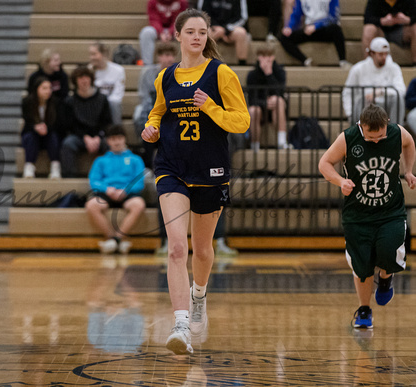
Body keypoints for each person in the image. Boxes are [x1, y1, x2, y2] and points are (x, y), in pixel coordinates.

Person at [141, 9, 250, 354]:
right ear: (177, 36)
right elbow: (158, 110)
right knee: (176, 247)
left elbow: (242, 121)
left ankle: (198, 293)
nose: (197, 37)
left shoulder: (222, 74)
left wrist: (211, 109)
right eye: (191, 31)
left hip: (210, 171)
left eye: (202, 32)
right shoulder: (166, 77)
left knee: (202, 251)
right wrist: (152, 127)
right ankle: (181, 324)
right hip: (172, 168)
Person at [318, 104, 415, 329]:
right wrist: (340, 181)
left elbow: (409, 143)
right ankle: (364, 310)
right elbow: (324, 163)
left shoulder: (397, 132)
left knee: (389, 251)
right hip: (358, 214)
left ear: (387, 124)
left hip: (390, 211)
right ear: (361, 127)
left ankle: (385, 277)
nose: (377, 141)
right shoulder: (348, 138)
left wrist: (408, 170)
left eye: (381, 136)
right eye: (372, 138)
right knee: (362, 266)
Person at [85, 125, 146, 254]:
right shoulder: (101, 161)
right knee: (92, 205)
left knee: (138, 204)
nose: (116, 142)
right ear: (108, 141)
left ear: (124, 139)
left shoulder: (135, 159)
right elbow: (94, 181)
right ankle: (112, 238)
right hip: (107, 192)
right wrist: (107, 189)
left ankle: (116, 239)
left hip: (127, 193)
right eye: (113, 139)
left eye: (119, 138)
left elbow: (140, 182)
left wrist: (125, 190)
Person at [60, 66, 113, 178]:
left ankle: (111, 177)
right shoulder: (69, 101)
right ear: (75, 81)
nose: (84, 80)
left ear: (91, 79)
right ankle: (70, 178)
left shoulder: (102, 99)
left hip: (99, 136)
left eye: (86, 77)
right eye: (80, 78)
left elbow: (107, 123)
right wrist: (85, 137)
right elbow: (70, 126)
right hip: (79, 137)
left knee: (111, 145)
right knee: (67, 144)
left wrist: (98, 137)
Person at [133, 41, 178, 168]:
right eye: (165, 55)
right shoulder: (148, 73)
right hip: (152, 110)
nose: (168, 58)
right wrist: (153, 117)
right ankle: (147, 154)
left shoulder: (180, 72)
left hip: (173, 111)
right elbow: (144, 97)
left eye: (171, 55)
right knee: (139, 115)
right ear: (158, 57)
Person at [342, 37, 406, 125]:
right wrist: (349, 114)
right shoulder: (358, 69)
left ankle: (395, 133)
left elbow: (401, 90)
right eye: (380, 54)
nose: (384, 57)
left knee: (398, 98)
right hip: (365, 107)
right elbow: (348, 92)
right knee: (363, 101)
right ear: (372, 53)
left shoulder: (394, 68)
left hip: (386, 106)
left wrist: (380, 92)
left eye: (386, 54)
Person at [279, 0, 351, 69]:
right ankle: (306, 61)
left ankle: (343, 61)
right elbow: (296, 14)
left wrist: (316, 26)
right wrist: (289, 27)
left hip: (325, 29)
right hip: (309, 30)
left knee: (336, 29)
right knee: (284, 38)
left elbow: (333, 17)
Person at [246, 45, 287, 151]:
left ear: (273, 57)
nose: (266, 59)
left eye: (269, 56)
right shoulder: (252, 75)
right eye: (263, 56)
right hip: (259, 108)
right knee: (253, 110)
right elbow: (251, 99)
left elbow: (280, 93)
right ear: (258, 57)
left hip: (276, 109)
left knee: (278, 100)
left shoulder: (280, 72)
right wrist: (264, 103)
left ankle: (282, 142)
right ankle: (255, 146)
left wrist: (269, 74)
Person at [21, 76, 62, 179]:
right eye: (44, 88)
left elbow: (59, 124)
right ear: (36, 89)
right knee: (30, 137)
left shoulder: (56, 102)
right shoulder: (27, 102)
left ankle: (55, 167)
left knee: (53, 137)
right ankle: (29, 166)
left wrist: (46, 128)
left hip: (49, 134)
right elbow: (27, 122)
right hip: (32, 134)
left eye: (49, 88)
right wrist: (36, 127)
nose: (48, 91)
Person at [362, 0, 416, 64]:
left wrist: (407, 20)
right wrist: (382, 21)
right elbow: (367, 18)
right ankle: (368, 64)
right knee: (368, 29)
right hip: (381, 32)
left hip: (401, 32)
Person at [198, 0, 250, 66]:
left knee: (241, 33)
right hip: (212, 28)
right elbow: (202, 15)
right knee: (205, 32)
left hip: (231, 29)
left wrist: (225, 29)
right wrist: (214, 27)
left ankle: (242, 64)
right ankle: (204, 64)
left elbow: (242, 17)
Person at [139, 0, 188, 66]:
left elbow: (179, 20)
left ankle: (185, 65)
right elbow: (154, 20)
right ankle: (147, 66)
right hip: (157, 29)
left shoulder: (182, 2)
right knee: (146, 32)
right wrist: (161, 32)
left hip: (175, 28)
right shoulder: (152, 2)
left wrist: (171, 32)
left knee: (185, 33)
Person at [88, 42, 126, 124]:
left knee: (115, 103)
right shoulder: (88, 71)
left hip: (110, 104)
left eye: (94, 54)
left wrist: (103, 103)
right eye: (90, 54)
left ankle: (116, 132)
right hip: (93, 105)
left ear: (104, 54)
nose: (91, 57)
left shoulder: (118, 70)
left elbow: (118, 94)